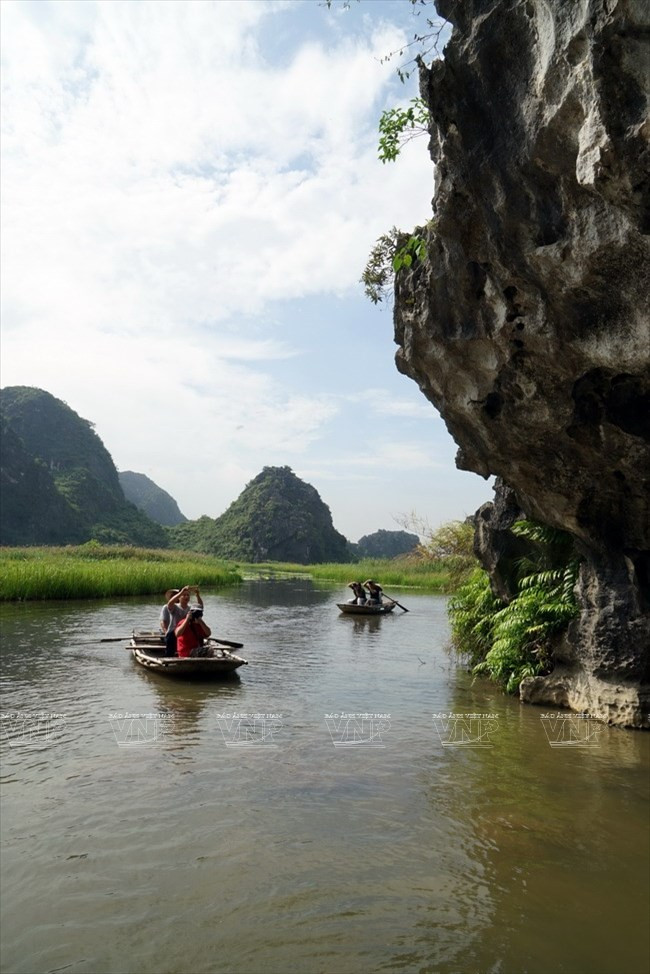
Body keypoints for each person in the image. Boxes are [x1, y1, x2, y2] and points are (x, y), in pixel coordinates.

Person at [162, 586, 203, 656]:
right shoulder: (175, 607)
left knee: (198, 637)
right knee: (170, 652)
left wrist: (197, 595)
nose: (186, 597)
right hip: (174, 633)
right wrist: (181, 592)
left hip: (185, 633)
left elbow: (200, 606)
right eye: (184, 595)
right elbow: (170, 603)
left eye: (188, 595)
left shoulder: (191, 608)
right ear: (179, 597)